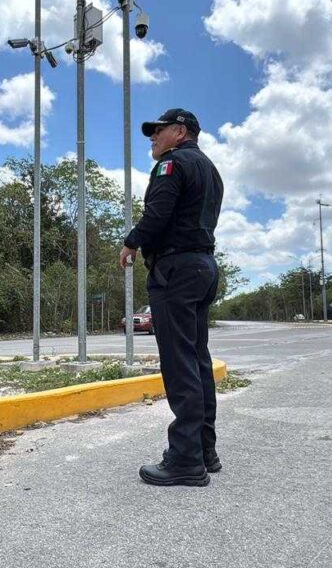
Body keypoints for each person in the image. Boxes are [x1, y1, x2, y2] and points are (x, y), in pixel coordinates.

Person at [119, 108, 224, 487]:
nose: (153, 137)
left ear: (180, 132)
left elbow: (158, 212)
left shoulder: (172, 164)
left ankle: (185, 460)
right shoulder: (210, 170)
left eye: (158, 130)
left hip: (176, 270)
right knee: (197, 359)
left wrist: (132, 243)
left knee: (180, 363)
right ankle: (204, 450)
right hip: (203, 267)